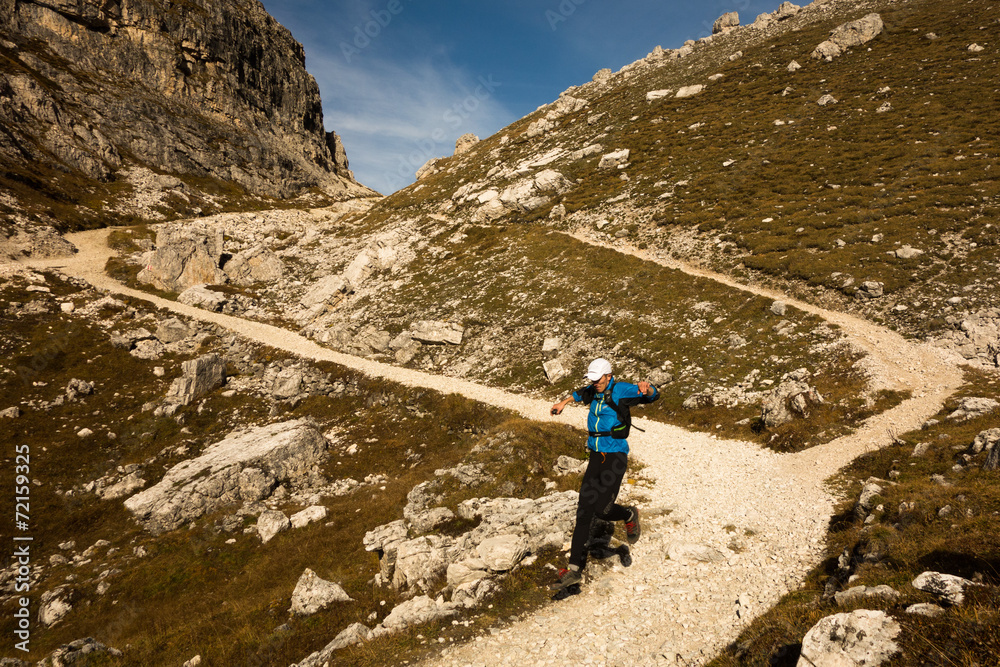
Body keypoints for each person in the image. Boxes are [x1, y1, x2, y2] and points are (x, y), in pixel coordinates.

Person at [549, 357, 658, 590]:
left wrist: (648, 389)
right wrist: (563, 402)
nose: (595, 383)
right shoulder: (593, 389)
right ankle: (574, 569)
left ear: (609, 375)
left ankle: (629, 514)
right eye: (593, 380)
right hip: (596, 457)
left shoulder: (620, 390)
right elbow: (580, 393)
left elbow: (650, 396)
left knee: (603, 509)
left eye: (599, 380)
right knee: (584, 511)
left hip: (615, 456)